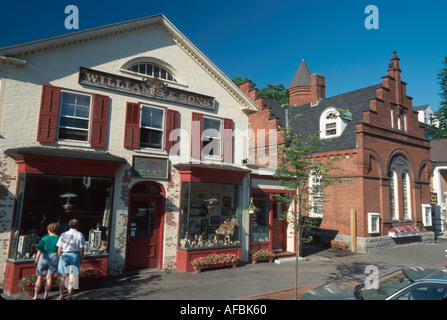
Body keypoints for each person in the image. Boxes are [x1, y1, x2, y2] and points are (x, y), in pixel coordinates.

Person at [56, 218, 86, 300]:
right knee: (72, 275)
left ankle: (61, 295)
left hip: (64, 255)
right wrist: (81, 257)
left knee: (63, 276)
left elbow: (59, 248)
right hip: (75, 255)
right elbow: (82, 248)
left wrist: (60, 257)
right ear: (78, 226)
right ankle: (69, 294)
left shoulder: (63, 234)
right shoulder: (79, 235)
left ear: (69, 225)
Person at [33, 222, 59, 300]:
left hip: (44, 257)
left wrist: (36, 260)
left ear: (48, 230)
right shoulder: (59, 238)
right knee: (49, 277)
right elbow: (59, 250)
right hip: (54, 257)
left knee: (39, 277)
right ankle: (45, 296)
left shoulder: (44, 238)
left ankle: (35, 296)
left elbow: (39, 251)